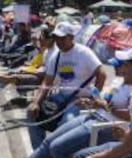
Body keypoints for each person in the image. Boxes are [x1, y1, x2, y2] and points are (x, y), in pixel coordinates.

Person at [0, 58, 132, 158]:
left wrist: (104, 107)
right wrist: (92, 102)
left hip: (106, 126)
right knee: (49, 141)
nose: (115, 67)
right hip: (93, 116)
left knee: (57, 148)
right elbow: (106, 104)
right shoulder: (119, 81)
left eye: (119, 65)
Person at [27, 21, 107, 150]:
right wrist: (36, 102)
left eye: (62, 38)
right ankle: (40, 152)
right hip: (61, 97)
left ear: (71, 37)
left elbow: (102, 74)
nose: (59, 41)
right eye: (56, 38)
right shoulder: (56, 56)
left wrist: (93, 99)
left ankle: (50, 152)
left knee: (66, 121)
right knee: (31, 112)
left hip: (79, 100)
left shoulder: (84, 52)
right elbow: (47, 82)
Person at [0, 27, 56, 95]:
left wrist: (28, 71)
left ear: (50, 39)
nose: (39, 41)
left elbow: (46, 74)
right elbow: (41, 66)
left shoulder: (53, 53)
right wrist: (28, 68)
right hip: (36, 73)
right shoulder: (47, 51)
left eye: (41, 39)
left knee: (12, 77)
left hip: (41, 79)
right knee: (11, 73)